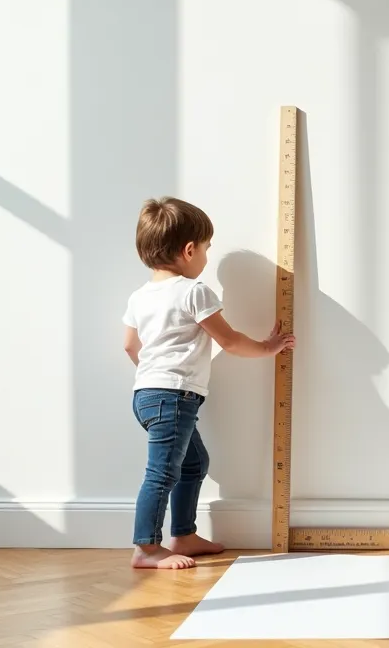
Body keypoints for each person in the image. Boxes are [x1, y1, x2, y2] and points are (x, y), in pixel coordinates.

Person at [121, 197, 295, 569]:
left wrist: (156, 374)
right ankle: (147, 548)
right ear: (188, 250)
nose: (205, 257)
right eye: (206, 249)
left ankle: (183, 534)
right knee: (163, 472)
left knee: (194, 463)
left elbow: (129, 345)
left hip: (147, 394)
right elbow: (229, 340)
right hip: (174, 397)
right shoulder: (193, 291)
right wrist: (269, 347)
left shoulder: (140, 296)